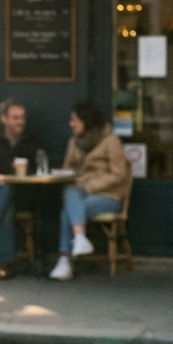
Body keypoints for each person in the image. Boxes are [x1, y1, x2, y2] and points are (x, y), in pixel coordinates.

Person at [50, 102, 131, 282]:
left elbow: (119, 175)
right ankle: (79, 239)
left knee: (68, 211)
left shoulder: (111, 141)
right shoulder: (74, 142)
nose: (71, 124)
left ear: (87, 121)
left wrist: (88, 185)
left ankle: (65, 261)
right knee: (71, 194)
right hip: (80, 194)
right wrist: (67, 173)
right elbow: (68, 167)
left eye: (74, 120)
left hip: (108, 196)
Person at [0, 99, 42, 278]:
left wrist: (20, 169)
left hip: (25, 193)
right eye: (15, 118)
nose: (20, 122)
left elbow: (39, 165)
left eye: (22, 118)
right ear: (4, 119)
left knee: (8, 195)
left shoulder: (31, 138)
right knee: (6, 203)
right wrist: (7, 172)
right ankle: (6, 263)